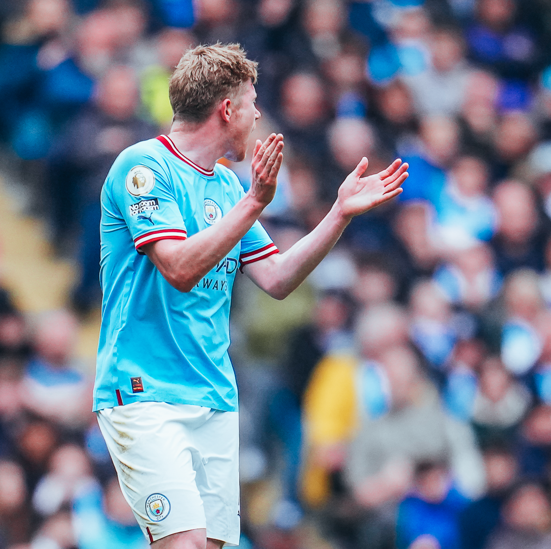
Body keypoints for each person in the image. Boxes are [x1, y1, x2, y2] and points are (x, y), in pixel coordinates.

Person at [93, 43, 408, 549]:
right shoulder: (144, 167)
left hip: (215, 395)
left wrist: (337, 215)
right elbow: (178, 267)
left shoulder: (225, 187)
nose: (258, 115)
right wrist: (256, 202)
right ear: (227, 109)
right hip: (144, 392)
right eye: (253, 103)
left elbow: (279, 278)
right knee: (186, 544)